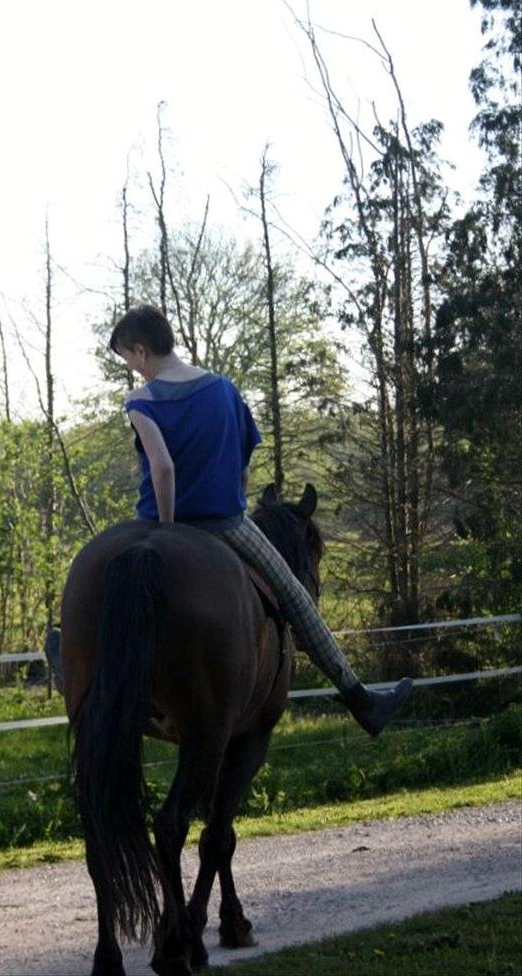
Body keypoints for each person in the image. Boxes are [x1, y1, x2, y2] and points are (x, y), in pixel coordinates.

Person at [46, 304, 411, 736]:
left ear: (141, 351)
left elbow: (162, 468)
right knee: (295, 598)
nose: (131, 368)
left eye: (127, 358)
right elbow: (241, 464)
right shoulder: (225, 390)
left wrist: (166, 531)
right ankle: (361, 699)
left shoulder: (142, 401)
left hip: (163, 524)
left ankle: (70, 668)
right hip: (227, 524)